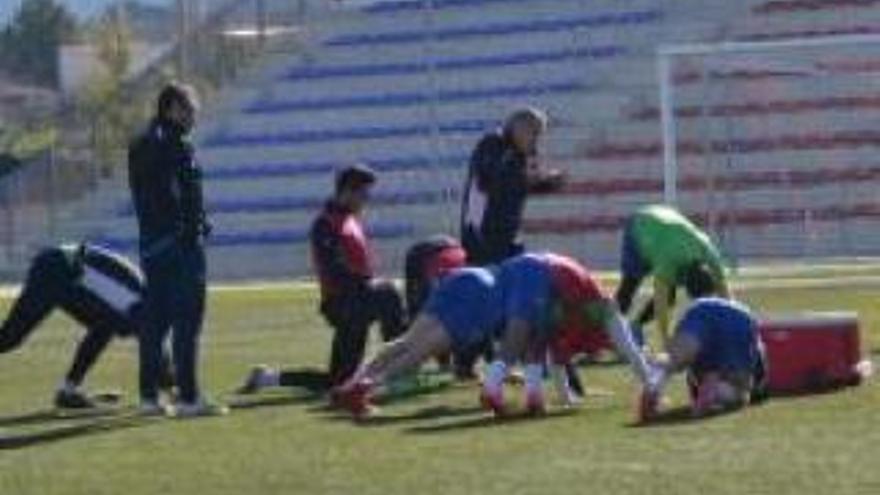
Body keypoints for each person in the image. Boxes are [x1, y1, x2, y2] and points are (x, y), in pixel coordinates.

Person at [333, 252, 659, 420]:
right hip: (483, 293)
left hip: (469, 276)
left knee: (406, 341)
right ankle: (365, 389)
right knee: (418, 353)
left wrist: (558, 396)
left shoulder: (568, 309)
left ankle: (353, 383)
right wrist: (649, 382)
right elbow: (538, 341)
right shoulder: (594, 315)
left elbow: (545, 346)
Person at [128, 82, 225, 417]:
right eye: (189, 109)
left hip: (151, 247)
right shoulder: (178, 146)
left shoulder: (140, 144)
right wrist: (194, 226)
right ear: (171, 108)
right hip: (181, 247)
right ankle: (188, 398)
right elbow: (182, 196)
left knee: (154, 325)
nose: (194, 115)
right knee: (187, 323)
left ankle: (148, 398)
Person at [457, 107, 566, 376]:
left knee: (509, 295)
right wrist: (531, 177)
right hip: (483, 236)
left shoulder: (520, 153)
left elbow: (518, 187)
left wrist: (545, 184)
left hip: (507, 235)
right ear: (518, 127)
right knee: (492, 298)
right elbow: (489, 179)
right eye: (534, 133)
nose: (536, 140)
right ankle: (478, 359)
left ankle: (491, 360)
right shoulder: (493, 144)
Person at [0, 243, 173, 409]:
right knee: (10, 338)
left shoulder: (142, 296)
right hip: (58, 268)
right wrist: (171, 388)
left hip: (63, 268)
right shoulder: (141, 301)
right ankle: (69, 389)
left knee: (104, 325)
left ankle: (69, 390)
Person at [309, 165, 406, 387]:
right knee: (388, 294)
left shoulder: (349, 220)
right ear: (347, 192)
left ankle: (268, 377)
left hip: (356, 301)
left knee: (339, 380)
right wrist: (367, 285)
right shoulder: (325, 224)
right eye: (363, 194)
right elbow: (334, 270)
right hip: (342, 303)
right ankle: (400, 368)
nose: (366, 200)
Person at [639, 264, 767, 422]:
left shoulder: (695, 309)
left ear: (688, 290)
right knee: (739, 393)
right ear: (713, 284)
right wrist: (757, 383)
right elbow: (759, 353)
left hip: (700, 319)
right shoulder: (745, 312)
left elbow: (680, 349)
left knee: (671, 361)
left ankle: (654, 384)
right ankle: (717, 390)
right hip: (739, 339)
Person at [615, 204, 731, 342]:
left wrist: (729, 323)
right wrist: (667, 340)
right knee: (629, 287)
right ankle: (609, 331)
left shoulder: (711, 256)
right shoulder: (668, 264)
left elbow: (727, 298)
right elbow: (660, 305)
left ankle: (635, 326)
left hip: (665, 223)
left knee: (670, 297)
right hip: (639, 227)